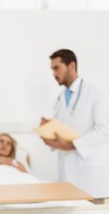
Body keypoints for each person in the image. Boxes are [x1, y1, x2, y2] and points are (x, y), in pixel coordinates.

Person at [40, 48, 109, 202]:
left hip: (90, 172)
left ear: (71, 66)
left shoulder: (94, 92)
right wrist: (48, 134)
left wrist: (72, 145)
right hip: (67, 172)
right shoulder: (59, 99)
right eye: (52, 69)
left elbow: (105, 130)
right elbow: (61, 132)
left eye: (57, 68)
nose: (53, 73)